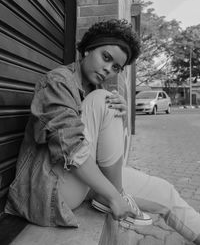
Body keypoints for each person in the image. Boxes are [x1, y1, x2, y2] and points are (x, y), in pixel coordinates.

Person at [5, 19, 200, 244]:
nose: (109, 69)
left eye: (116, 66)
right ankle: (112, 196)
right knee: (104, 101)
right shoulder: (58, 81)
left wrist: (122, 117)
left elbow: (110, 154)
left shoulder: (95, 90)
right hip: (48, 192)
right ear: (88, 49)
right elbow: (71, 146)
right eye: (106, 57)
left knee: (165, 193)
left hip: (83, 181)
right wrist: (114, 196)